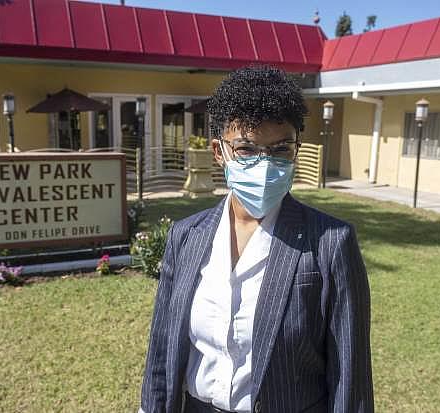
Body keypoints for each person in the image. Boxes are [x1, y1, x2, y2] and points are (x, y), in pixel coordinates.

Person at [139, 64, 373, 413]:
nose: (264, 164)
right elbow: (163, 346)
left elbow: (349, 375)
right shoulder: (185, 237)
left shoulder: (330, 243)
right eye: (247, 149)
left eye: (280, 149)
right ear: (220, 152)